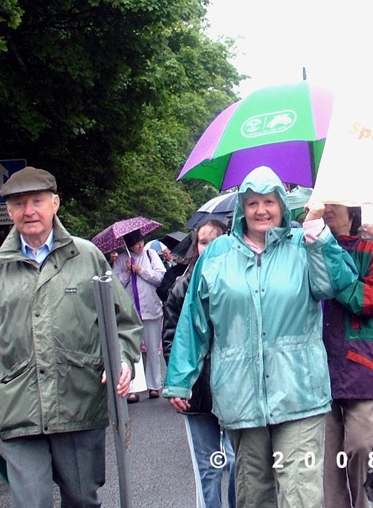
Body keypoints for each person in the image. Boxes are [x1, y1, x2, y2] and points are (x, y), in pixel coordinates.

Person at [163, 165, 358, 508]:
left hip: (299, 391)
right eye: (252, 202)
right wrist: (181, 378)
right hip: (240, 394)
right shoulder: (218, 254)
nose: (261, 210)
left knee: (300, 493)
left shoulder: (303, 243)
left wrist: (316, 228)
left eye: (269, 201)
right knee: (253, 494)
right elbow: (194, 319)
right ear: (242, 208)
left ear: (282, 205)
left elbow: (339, 281)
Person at [0, 166, 142, 508]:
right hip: (19, 408)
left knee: (81, 500)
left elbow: (124, 322)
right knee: (31, 502)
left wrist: (121, 358)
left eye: (37, 201)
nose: (29, 210)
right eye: (19, 203)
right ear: (10, 211)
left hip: (79, 401)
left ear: (55, 203)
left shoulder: (87, 256)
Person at [163, 219, 236, 508]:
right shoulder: (181, 289)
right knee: (207, 467)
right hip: (197, 391)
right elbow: (170, 339)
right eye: (203, 242)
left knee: (236, 460)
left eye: (214, 241)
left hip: (232, 388)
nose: (208, 247)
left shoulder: (236, 283)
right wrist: (178, 382)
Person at [321, 202, 373, 508]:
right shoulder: (310, 248)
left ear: (352, 210)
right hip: (318, 363)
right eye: (323, 203)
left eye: (334, 203)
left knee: (362, 444)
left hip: (360, 364)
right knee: (327, 456)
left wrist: (335, 281)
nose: (327, 209)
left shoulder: (372, 250)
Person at [113, 229, 166, 401]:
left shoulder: (151, 255)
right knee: (133, 349)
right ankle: (134, 387)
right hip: (131, 311)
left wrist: (141, 270)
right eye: (136, 244)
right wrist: (127, 271)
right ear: (129, 246)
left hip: (151, 308)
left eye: (141, 241)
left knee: (152, 349)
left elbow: (160, 277)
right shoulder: (122, 259)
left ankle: (154, 385)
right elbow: (116, 284)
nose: (140, 245)